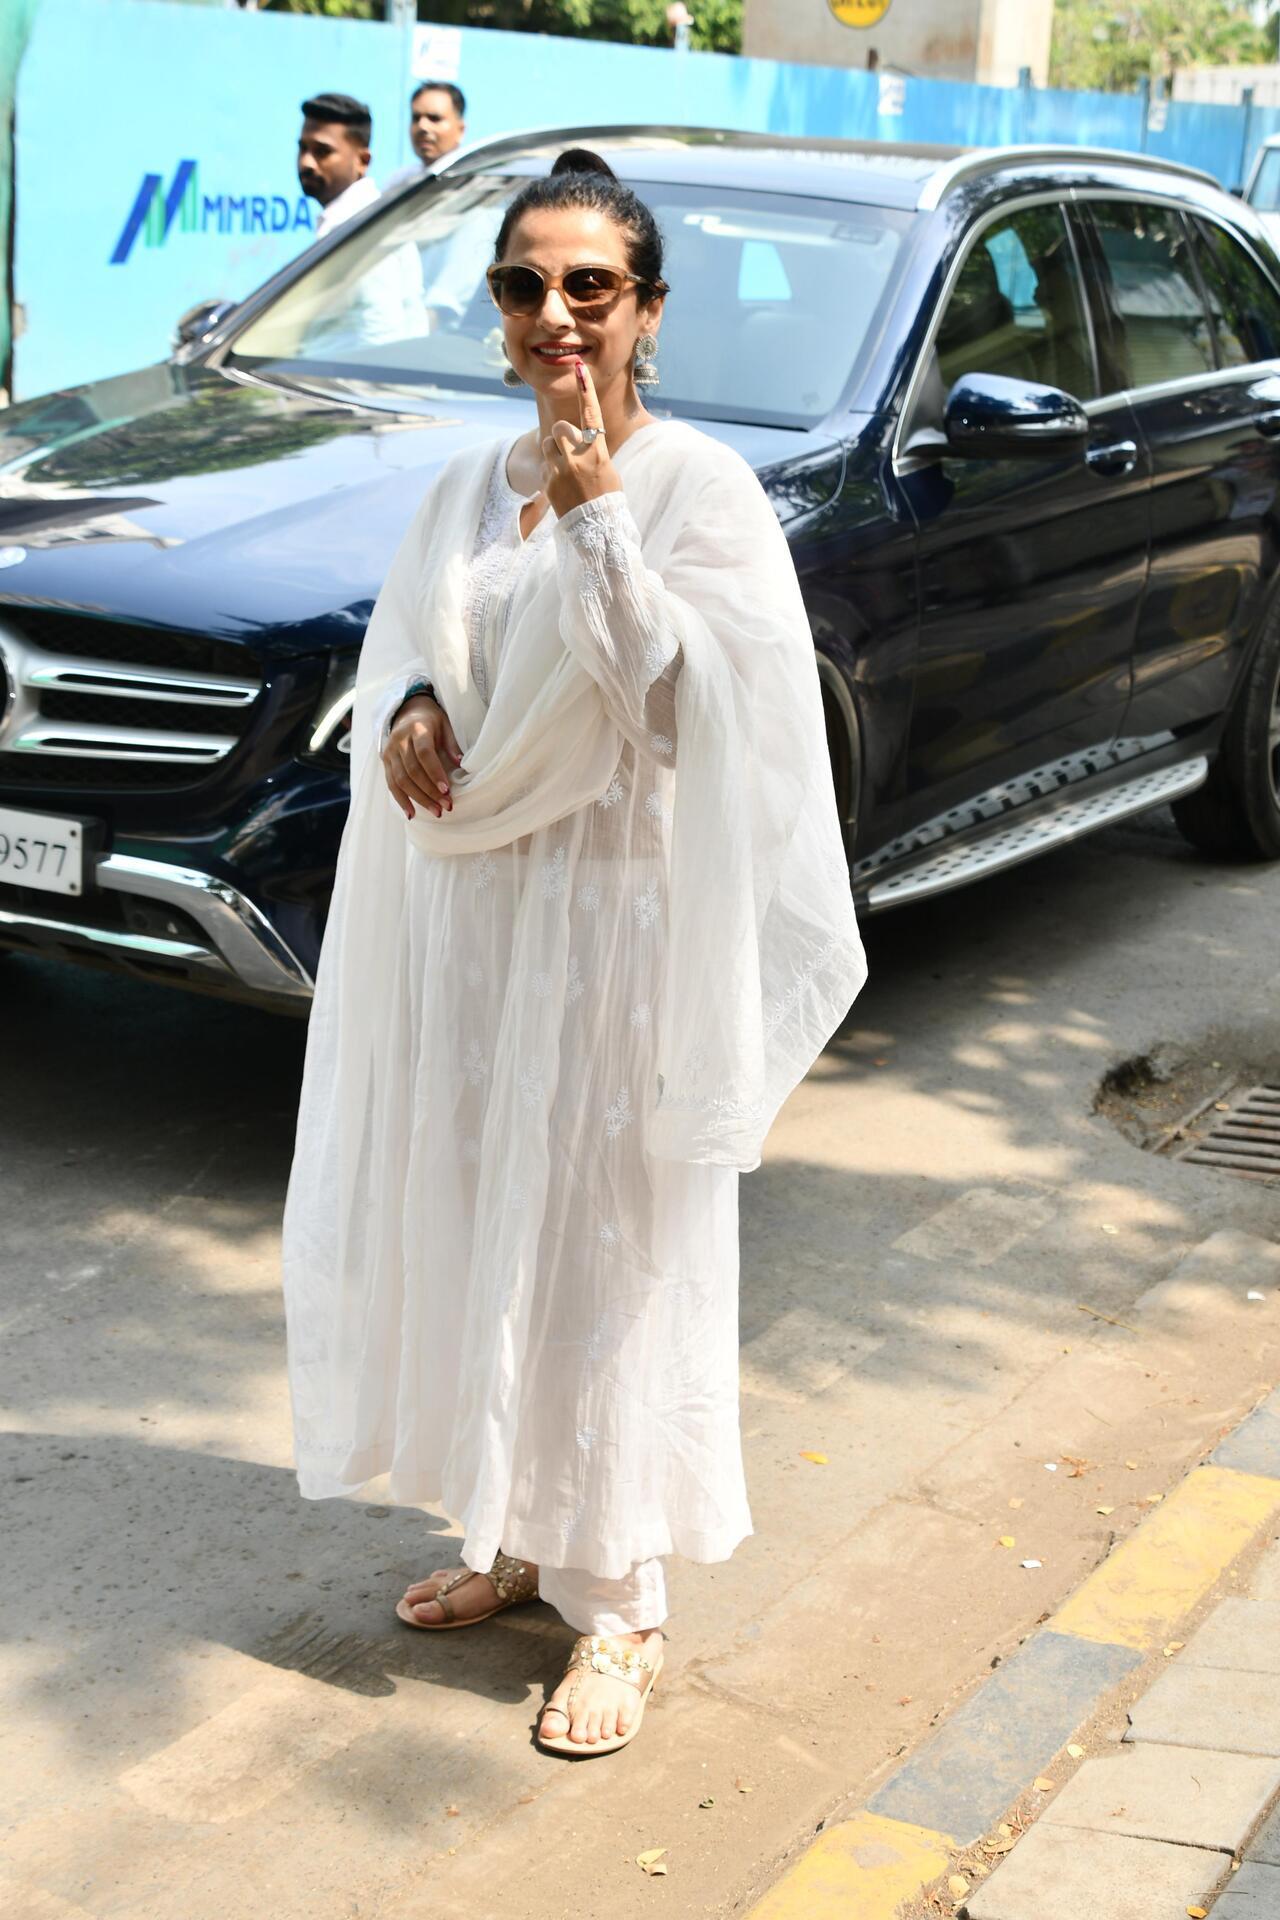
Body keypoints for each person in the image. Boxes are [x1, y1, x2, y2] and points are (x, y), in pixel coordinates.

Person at [281, 149, 867, 1758]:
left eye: (589, 286)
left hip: (617, 932)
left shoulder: (700, 491)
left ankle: (622, 1606)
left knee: (610, 1252)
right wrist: (407, 703)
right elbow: (415, 637)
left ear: (647, 312)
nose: (556, 315)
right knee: (489, 1216)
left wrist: (601, 499)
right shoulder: (467, 484)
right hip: (478, 929)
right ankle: (518, 1529)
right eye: (526, 285)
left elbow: (676, 696)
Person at [297, 92, 380, 240]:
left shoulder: (364, 227)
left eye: (322, 152)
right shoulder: (343, 221)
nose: (306, 163)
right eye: (303, 148)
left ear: (363, 161)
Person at [383, 81, 466, 196]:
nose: (422, 126)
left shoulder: (477, 181)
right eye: (416, 118)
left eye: (434, 118)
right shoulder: (399, 183)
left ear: (461, 130)